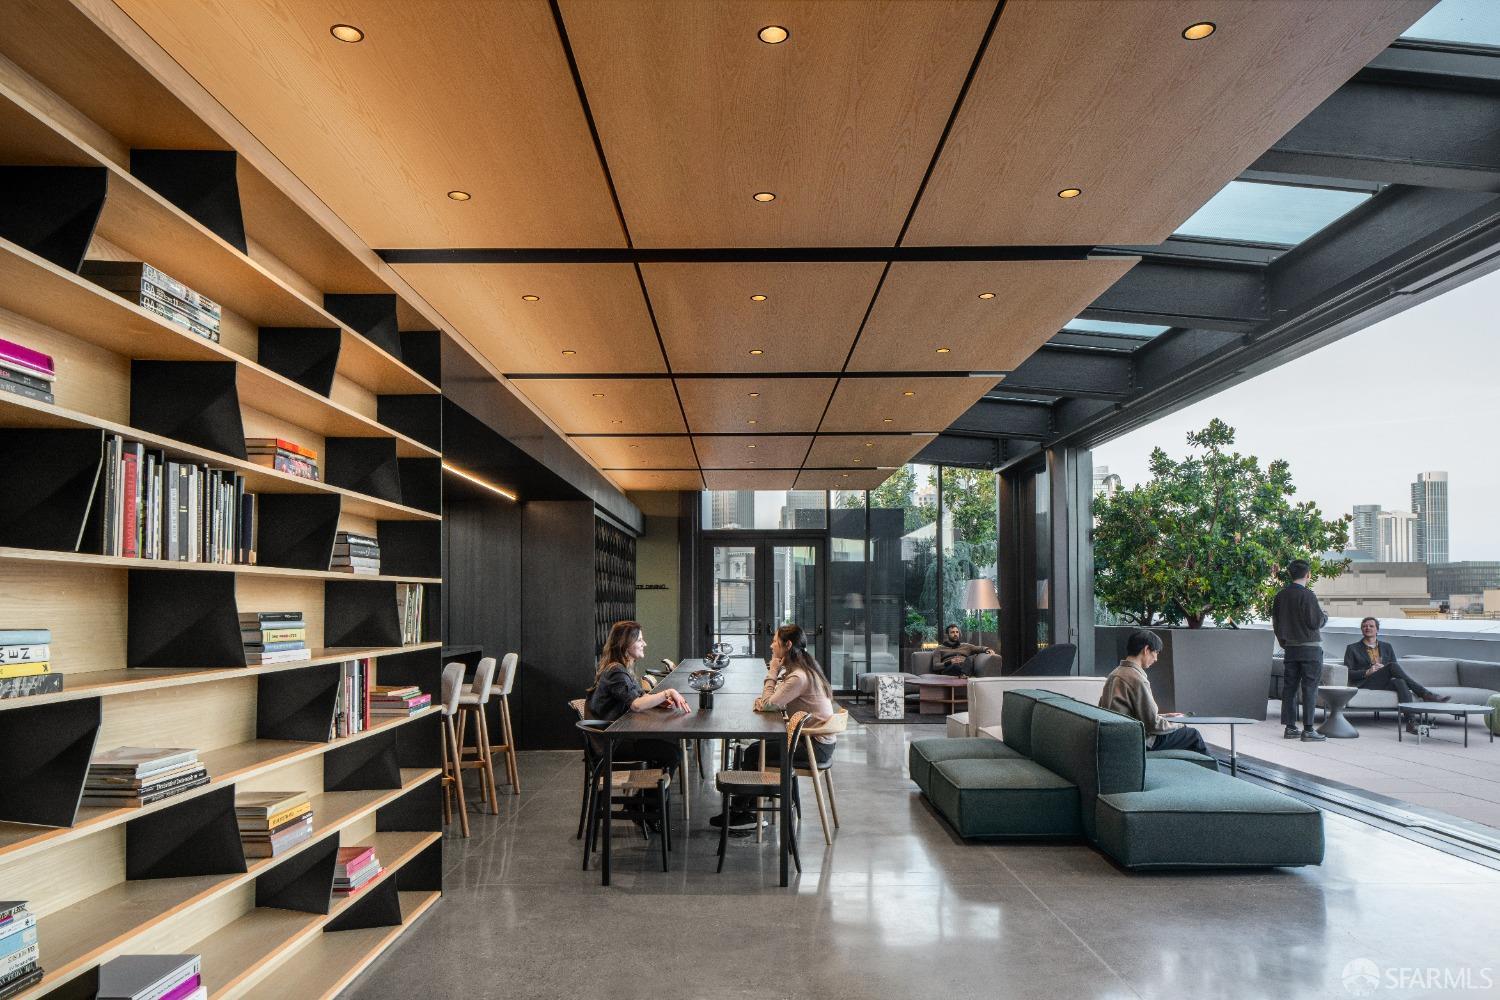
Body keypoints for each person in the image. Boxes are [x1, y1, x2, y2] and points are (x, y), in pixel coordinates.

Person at [712, 624, 838, 833]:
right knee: (755, 749)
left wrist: (772, 671)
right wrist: (768, 700)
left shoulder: (798, 676)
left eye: (774, 641)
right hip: (815, 742)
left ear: (787, 645)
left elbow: (769, 704)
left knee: (753, 751)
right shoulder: (803, 669)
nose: (771, 645)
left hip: (812, 747)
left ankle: (745, 814)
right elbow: (771, 703)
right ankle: (744, 809)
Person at [586, 620, 690, 773]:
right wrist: (668, 692)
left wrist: (657, 702)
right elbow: (636, 704)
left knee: (669, 747)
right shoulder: (616, 671)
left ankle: (652, 793)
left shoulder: (620, 668)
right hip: (612, 744)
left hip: (617, 737)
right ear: (625, 643)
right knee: (672, 754)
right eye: (640, 640)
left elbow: (638, 695)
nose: (644, 644)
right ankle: (653, 796)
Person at [1099, 629, 1210, 755]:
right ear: (1146, 650)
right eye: (1156, 652)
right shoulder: (1137, 679)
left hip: (1117, 737)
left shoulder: (1114, 674)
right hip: (1137, 740)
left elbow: (1133, 714)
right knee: (1192, 735)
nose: (1156, 658)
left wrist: (1166, 717)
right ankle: (1214, 774)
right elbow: (1153, 725)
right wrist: (1178, 723)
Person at [1344, 617, 1450, 734]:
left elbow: (1395, 669)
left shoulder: (1387, 647)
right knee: (1392, 666)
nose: (1367, 628)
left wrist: (1383, 670)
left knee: (1401, 682)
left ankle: (1411, 723)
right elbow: (1347, 673)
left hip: (1383, 680)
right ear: (1361, 630)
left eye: (1371, 626)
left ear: (1377, 630)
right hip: (1365, 682)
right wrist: (1367, 671)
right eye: (1364, 626)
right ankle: (1425, 694)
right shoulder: (1352, 648)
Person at [1272, 559, 1328, 742]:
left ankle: (1290, 728)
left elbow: (1277, 624)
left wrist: (1284, 643)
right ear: (1308, 574)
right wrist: (1324, 617)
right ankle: (1309, 729)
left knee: (1290, 688)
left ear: (1290, 574)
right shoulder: (1308, 595)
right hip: (1310, 648)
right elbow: (1315, 622)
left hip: (1290, 649)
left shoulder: (1280, 596)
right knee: (1310, 688)